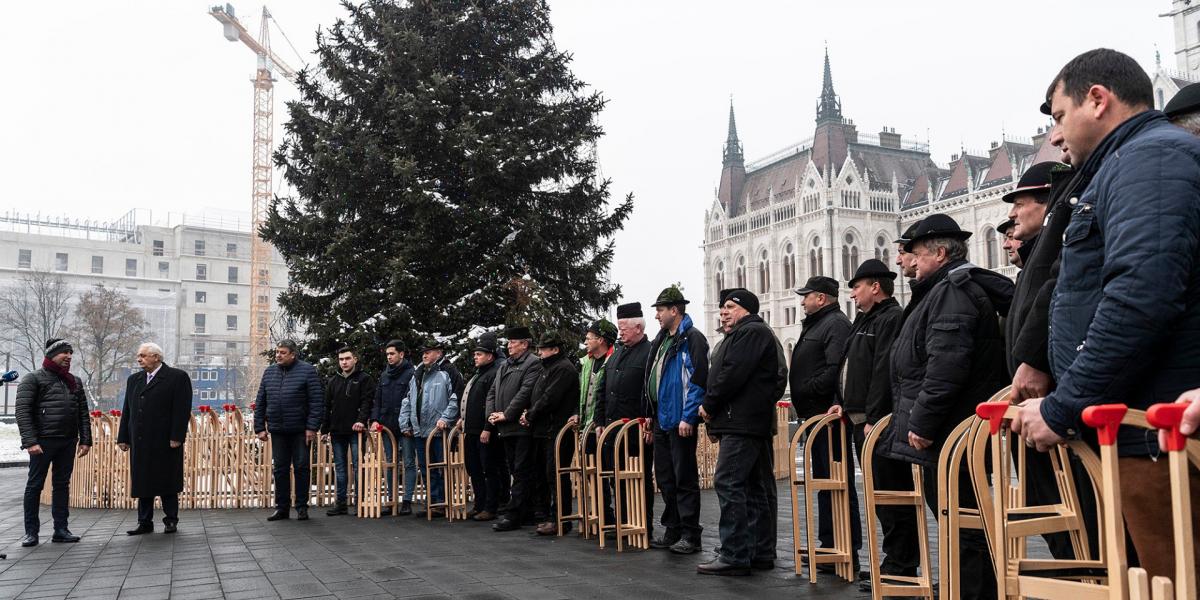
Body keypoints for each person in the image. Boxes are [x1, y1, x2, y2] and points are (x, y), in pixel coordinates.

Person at [1012, 48, 1200, 579]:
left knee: (1168, 581)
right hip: (1137, 426)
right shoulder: (1125, 164)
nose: (1053, 135)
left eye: (1057, 115)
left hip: (1154, 430)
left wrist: (1062, 408)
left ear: (1098, 100)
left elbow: (1140, 297)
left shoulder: (1152, 159)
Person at [886, 212, 1012, 599]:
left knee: (962, 513)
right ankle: (963, 583)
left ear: (940, 253)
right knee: (953, 512)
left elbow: (946, 365)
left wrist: (922, 423)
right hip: (948, 430)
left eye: (914, 253)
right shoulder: (941, 290)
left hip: (951, 431)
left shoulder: (952, 291)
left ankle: (973, 589)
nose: (904, 261)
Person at [829, 259, 916, 589]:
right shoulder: (866, 319)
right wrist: (841, 400)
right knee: (880, 496)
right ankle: (894, 561)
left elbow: (884, 371)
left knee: (892, 494)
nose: (852, 292)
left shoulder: (890, 318)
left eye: (857, 286)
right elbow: (850, 364)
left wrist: (875, 417)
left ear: (875, 287)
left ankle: (901, 566)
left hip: (876, 425)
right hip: (859, 420)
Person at [697, 289, 788, 576]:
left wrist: (710, 405)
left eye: (730, 307)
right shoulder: (747, 333)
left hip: (742, 422)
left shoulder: (751, 333)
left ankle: (735, 553)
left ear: (746, 309)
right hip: (747, 420)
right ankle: (759, 551)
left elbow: (732, 374)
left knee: (728, 482)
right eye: (722, 307)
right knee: (754, 486)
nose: (723, 312)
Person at [789, 275, 858, 572]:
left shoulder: (836, 324)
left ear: (821, 298)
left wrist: (808, 388)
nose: (802, 301)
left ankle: (844, 547)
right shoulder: (819, 323)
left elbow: (834, 369)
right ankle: (830, 544)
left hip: (828, 419)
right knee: (825, 484)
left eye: (806, 296)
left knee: (837, 483)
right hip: (817, 417)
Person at [645, 285, 709, 554]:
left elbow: (697, 381)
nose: (657, 315)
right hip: (661, 418)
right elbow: (653, 379)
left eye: (660, 310)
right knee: (666, 478)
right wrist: (650, 415)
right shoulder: (662, 340)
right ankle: (672, 528)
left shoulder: (691, 339)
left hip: (680, 420)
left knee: (684, 478)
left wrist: (688, 416)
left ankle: (690, 534)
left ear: (675, 310)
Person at [16, 338, 92, 547]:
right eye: (64, 352)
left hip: (68, 441)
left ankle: (61, 530)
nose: (68, 356)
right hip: (42, 442)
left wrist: (85, 440)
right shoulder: (33, 379)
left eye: (70, 353)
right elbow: (23, 412)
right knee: (34, 486)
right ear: (51, 355)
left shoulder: (74, 381)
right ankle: (31, 532)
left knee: (62, 485)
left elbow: (82, 413)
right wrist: (30, 442)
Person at [117, 342, 192, 535]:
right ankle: (144, 521)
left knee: (167, 479)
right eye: (138, 355)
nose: (139, 359)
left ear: (156, 357)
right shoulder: (134, 380)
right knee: (143, 480)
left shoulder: (177, 377)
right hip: (140, 439)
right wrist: (123, 437)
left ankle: (171, 520)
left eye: (143, 355)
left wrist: (177, 436)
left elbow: (181, 410)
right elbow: (128, 409)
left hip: (165, 439)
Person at [594, 302, 655, 537]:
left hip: (635, 431)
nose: (620, 333)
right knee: (616, 479)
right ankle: (622, 522)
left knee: (638, 479)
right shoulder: (617, 353)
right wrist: (600, 421)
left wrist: (649, 421)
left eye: (624, 328)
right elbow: (602, 389)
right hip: (612, 429)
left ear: (638, 327)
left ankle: (642, 525)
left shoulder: (649, 351)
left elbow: (650, 390)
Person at [254, 339, 324, 521]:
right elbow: (261, 400)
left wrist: (312, 427)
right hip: (278, 429)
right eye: (277, 352)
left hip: (301, 430)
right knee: (280, 469)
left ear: (293, 354)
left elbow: (316, 401)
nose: (278, 355)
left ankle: (301, 507)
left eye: (283, 352)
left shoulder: (308, 371)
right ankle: (282, 508)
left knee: (301, 467)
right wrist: (259, 427)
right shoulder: (269, 373)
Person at [487, 325, 544, 532]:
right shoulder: (505, 365)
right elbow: (493, 391)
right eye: (508, 342)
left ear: (525, 344)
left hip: (521, 427)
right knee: (515, 468)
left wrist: (507, 414)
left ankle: (514, 514)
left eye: (513, 342)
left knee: (521, 470)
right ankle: (526, 511)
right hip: (505, 427)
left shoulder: (533, 364)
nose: (509, 346)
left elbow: (525, 392)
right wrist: (492, 414)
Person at [523, 331, 580, 535]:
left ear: (555, 350)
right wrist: (529, 412)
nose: (539, 353)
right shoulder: (547, 368)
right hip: (543, 429)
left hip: (555, 429)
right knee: (543, 474)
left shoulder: (563, 369)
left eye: (543, 349)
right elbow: (537, 395)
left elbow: (550, 398)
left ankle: (560, 519)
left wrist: (530, 414)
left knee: (556, 475)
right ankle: (547, 515)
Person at [398, 341, 460, 518]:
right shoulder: (418, 374)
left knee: (440, 466)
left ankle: (443, 501)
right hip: (419, 430)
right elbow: (407, 400)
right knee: (425, 467)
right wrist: (405, 423)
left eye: (428, 352)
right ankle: (433, 501)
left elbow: (456, 396)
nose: (424, 355)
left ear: (439, 353)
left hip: (439, 430)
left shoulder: (448, 371)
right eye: (423, 352)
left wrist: (446, 418)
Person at [321, 346, 375, 516]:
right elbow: (327, 407)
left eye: (347, 358)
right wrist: (325, 429)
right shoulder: (333, 381)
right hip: (337, 431)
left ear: (355, 359)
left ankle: (361, 501)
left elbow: (367, 402)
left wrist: (361, 421)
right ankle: (341, 503)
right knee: (341, 468)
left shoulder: (364, 379)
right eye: (341, 359)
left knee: (359, 466)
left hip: (356, 431)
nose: (344, 362)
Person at [463, 332, 506, 521]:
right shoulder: (479, 374)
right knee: (473, 468)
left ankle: (491, 506)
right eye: (475, 354)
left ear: (490, 356)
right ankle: (479, 503)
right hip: (470, 429)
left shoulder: (493, 373)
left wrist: (487, 428)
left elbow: (491, 403)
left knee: (489, 469)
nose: (475, 357)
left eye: (479, 354)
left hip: (484, 430)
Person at [372, 340, 414, 515]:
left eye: (392, 354)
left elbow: (412, 400)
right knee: (390, 463)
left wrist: (409, 423)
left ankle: (406, 501)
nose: (389, 357)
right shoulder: (384, 376)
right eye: (387, 354)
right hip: (386, 425)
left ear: (401, 354)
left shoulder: (412, 374)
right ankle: (391, 500)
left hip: (405, 425)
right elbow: (377, 400)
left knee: (409, 462)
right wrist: (375, 419)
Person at [574, 319, 616, 434]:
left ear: (601, 340)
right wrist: (576, 412)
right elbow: (578, 392)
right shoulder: (585, 362)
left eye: (588, 338)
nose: (585, 342)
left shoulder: (614, 362)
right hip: (585, 428)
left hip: (603, 429)